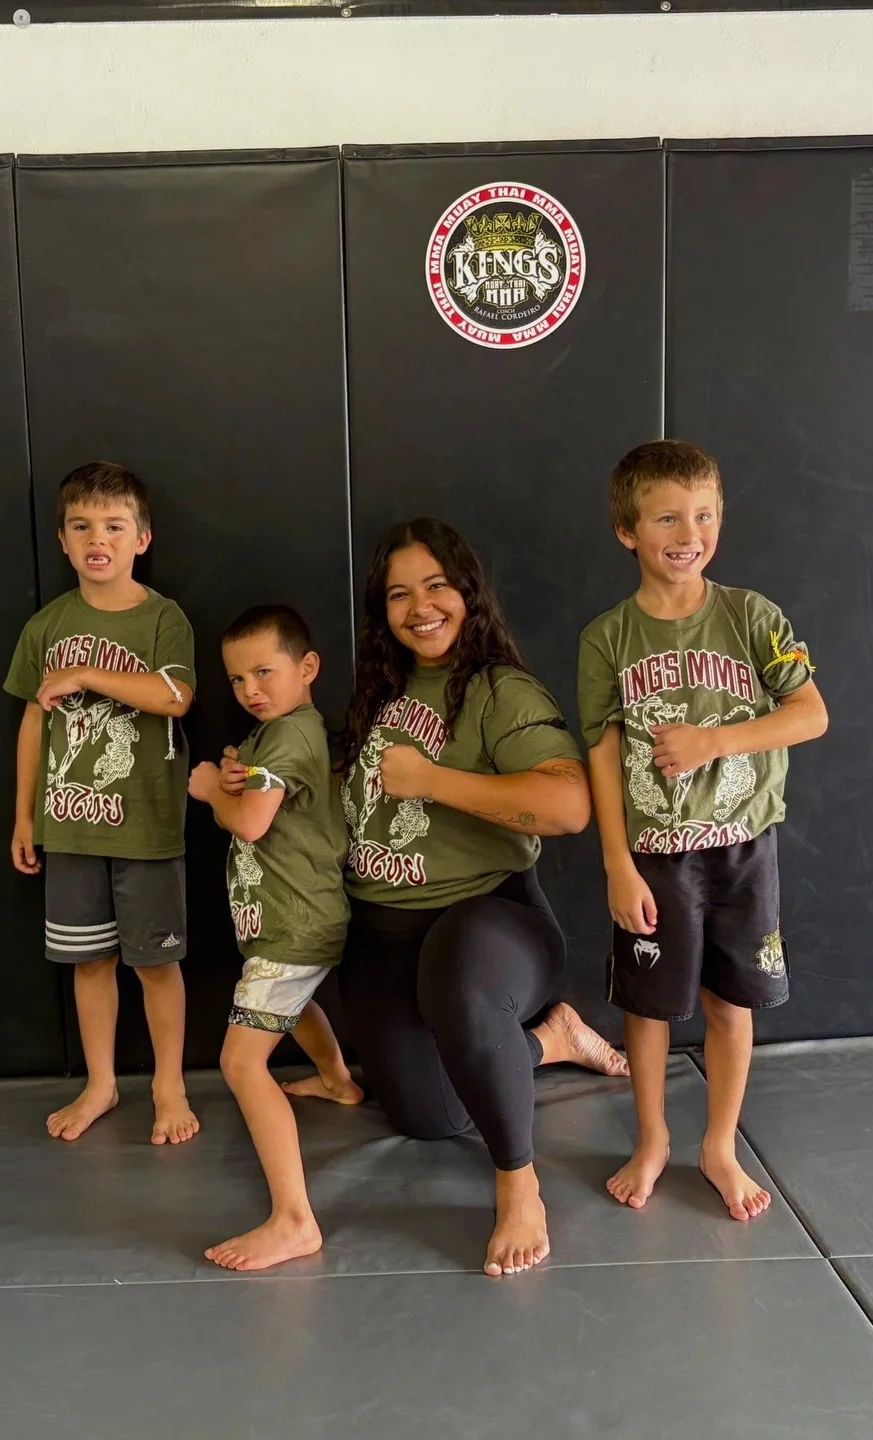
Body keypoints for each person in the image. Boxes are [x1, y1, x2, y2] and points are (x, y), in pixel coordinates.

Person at [339, 517, 628, 1279]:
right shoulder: (379, 693)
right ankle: (552, 1040)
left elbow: (568, 807)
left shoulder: (501, 689)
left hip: (490, 923)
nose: (420, 606)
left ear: (469, 592)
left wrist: (433, 780)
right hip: (383, 931)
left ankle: (519, 1185)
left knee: (461, 980)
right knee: (429, 1118)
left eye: (437, 585)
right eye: (399, 594)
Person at [577, 440, 828, 1220]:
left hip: (744, 849)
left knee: (731, 1001)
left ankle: (719, 1144)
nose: (690, 532)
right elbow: (602, 753)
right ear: (628, 530)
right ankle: (651, 1138)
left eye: (706, 514)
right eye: (668, 518)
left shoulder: (753, 616)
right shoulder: (607, 638)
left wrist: (715, 739)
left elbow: (811, 714)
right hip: (654, 854)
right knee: (649, 1007)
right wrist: (616, 862)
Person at [5, 461, 198, 1146]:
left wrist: (89, 672)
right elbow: (34, 721)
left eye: (114, 526)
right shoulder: (47, 624)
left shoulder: (162, 618)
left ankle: (169, 1086)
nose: (98, 538)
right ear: (62, 540)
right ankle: (102, 1082)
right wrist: (25, 815)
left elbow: (176, 697)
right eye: (82, 526)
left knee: (154, 961)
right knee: (89, 961)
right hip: (71, 827)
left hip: (145, 826)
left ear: (141, 538)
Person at [188, 605, 360, 1272]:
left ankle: (294, 1220)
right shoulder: (280, 735)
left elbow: (252, 823)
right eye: (236, 679)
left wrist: (208, 790)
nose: (250, 689)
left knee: (240, 1062)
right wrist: (239, 770)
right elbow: (262, 789)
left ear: (307, 667)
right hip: (291, 923)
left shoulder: (287, 734)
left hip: (296, 923)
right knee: (294, 1006)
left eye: (265, 671)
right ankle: (337, 1080)